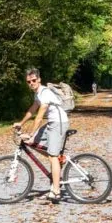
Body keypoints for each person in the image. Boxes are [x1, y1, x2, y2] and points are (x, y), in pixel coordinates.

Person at [13, 67, 69, 203]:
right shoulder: (37, 94)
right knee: (30, 142)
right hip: (51, 123)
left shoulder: (45, 92)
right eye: (28, 82)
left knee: (52, 156)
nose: (31, 83)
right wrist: (21, 123)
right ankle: (60, 158)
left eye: (33, 80)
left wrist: (31, 133)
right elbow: (32, 110)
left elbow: (39, 116)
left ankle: (56, 191)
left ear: (39, 79)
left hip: (59, 123)